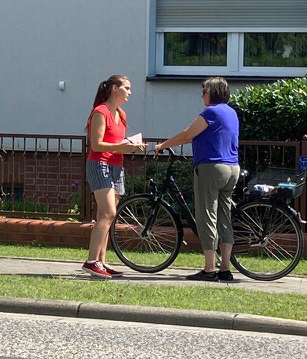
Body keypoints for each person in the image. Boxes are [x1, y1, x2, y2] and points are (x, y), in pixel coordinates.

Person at [155, 77, 240, 282]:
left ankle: (209, 268)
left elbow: (187, 135)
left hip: (212, 168)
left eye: (204, 91)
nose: (202, 95)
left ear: (214, 92)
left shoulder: (211, 112)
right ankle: (225, 269)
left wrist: (162, 145)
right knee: (224, 217)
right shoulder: (231, 112)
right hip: (232, 167)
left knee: (206, 216)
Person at [84, 75, 145, 279]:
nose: (129, 92)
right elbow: (96, 144)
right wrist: (122, 146)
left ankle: (101, 261)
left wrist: (132, 146)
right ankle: (91, 261)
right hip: (99, 164)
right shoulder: (100, 112)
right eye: (126, 88)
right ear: (113, 89)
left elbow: (118, 143)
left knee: (107, 216)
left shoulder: (122, 114)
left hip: (116, 166)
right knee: (109, 213)